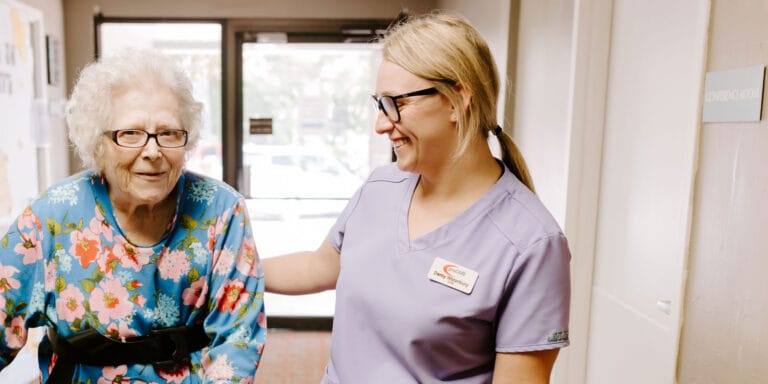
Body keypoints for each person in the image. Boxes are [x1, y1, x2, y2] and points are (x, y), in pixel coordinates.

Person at [263, 10, 571, 384]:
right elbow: (318, 267)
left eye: (396, 103)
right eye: (379, 104)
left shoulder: (531, 244)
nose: (381, 124)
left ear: (458, 99)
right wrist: (228, 270)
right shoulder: (379, 189)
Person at [0, 48, 266, 383]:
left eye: (168, 133)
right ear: (98, 143)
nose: (153, 152)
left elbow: (237, 342)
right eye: (130, 134)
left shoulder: (222, 210)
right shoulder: (52, 215)